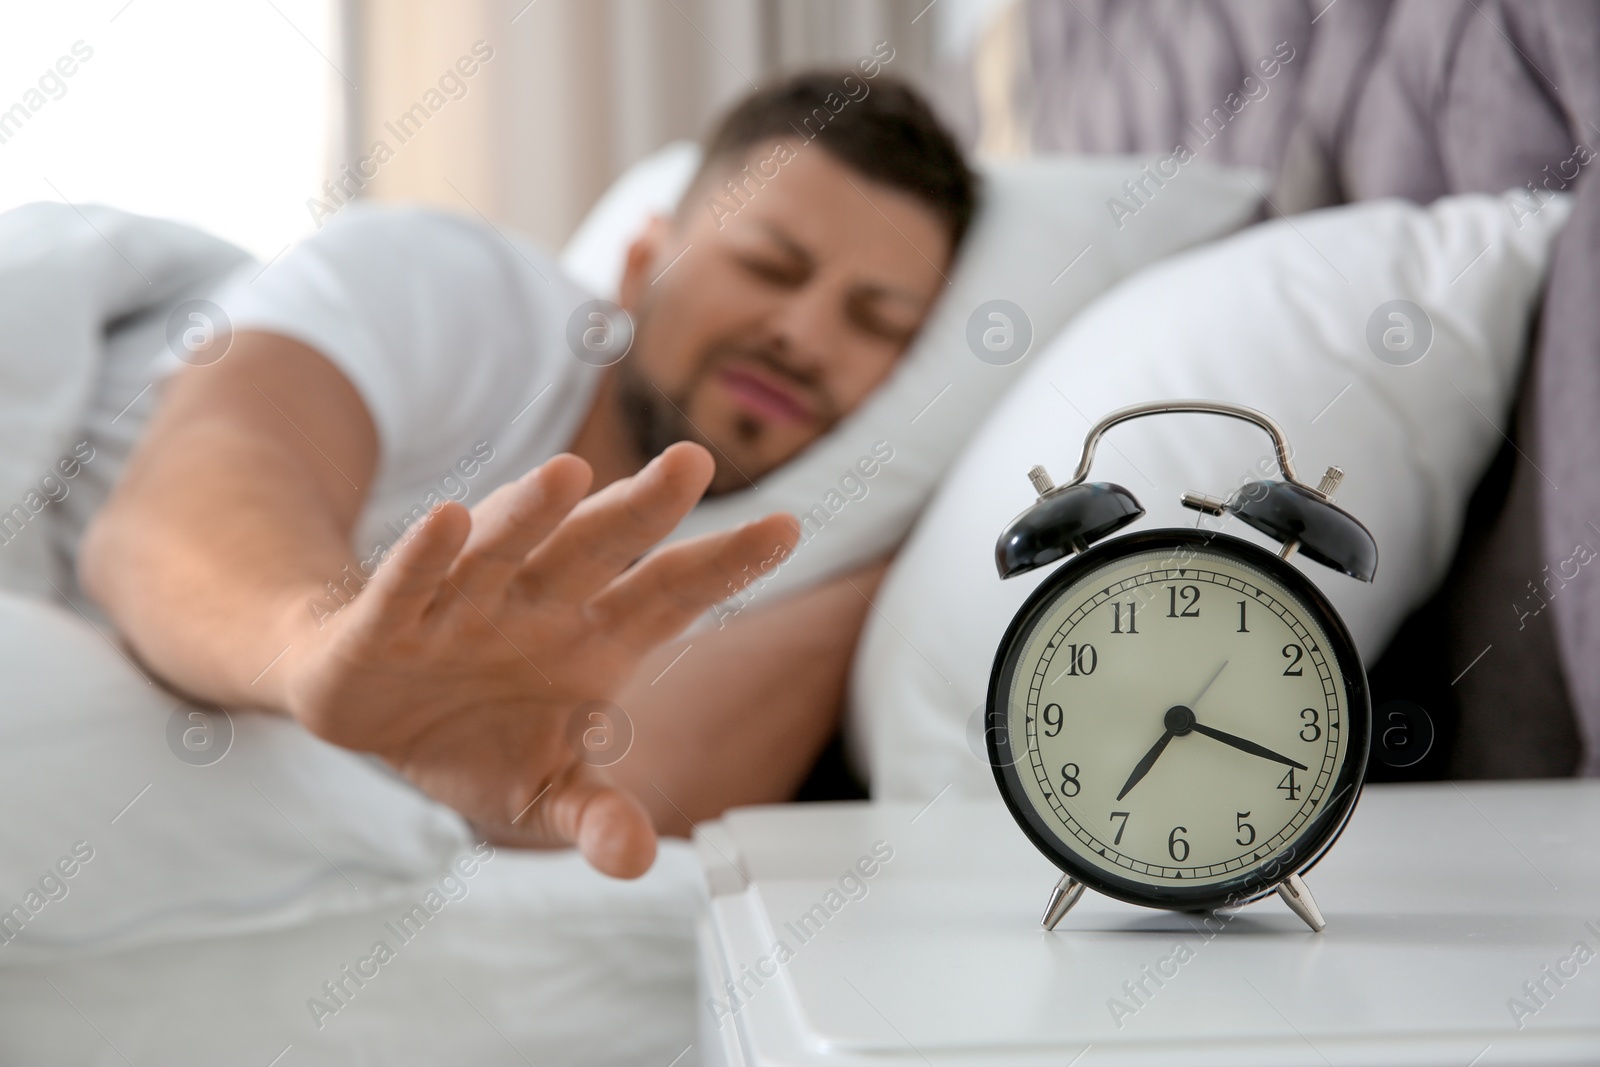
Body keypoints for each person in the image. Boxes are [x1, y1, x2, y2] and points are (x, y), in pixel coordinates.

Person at [78, 71, 978, 878]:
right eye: (767, 265)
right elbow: (183, 501)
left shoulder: (770, 563)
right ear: (638, 264)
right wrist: (318, 647)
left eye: (878, 321)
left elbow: (617, 799)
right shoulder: (455, 291)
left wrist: (918, 540)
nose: (805, 335)